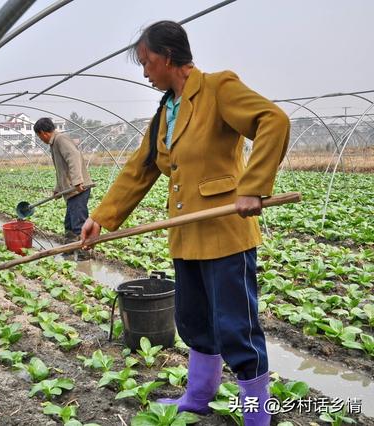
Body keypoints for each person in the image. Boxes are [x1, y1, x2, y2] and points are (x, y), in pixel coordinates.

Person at [80, 21, 289, 426]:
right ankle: (197, 396)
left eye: (147, 63)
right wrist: (100, 219)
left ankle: (257, 414)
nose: (145, 72)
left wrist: (253, 186)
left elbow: (273, 120)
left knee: (237, 328)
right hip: (186, 235)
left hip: (226, 233)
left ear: (168, 57)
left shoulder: (218, 88)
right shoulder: (165, 111)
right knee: (193, 321)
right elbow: (139, 170)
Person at [34, 117, 93, 259]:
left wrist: (77, 181)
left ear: (43, 133)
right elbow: (62, 170)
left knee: (78, 223)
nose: (40, 139)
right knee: (69, 223)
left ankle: (84, 253)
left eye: (39, 136)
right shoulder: (54, 144)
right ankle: (70, 249)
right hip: (71, 190)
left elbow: (73, 157)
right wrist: (58, 188)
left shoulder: (61, 139)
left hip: (78, 189)